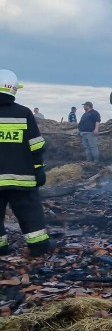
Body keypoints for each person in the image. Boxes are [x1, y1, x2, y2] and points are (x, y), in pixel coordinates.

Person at [0, 69, 51, 256]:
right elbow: (36, 145)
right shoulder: (24, 113)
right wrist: (39, 168)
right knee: (30, 213)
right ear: (14, 89)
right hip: (22, 178)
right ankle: (38, 247)